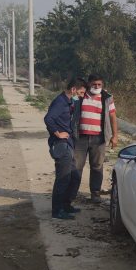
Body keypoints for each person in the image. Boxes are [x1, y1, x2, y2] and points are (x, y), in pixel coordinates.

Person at [44, 78, 87, 220]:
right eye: (80, 93)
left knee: (74, 176)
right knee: (63, 178)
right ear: (73, 89)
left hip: (68, 143)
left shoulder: (69, 102)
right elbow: (48, 119)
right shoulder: (60, 102)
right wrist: (57, 133)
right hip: (61, 144)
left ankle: (66, 204)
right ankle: (57, 211)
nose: (81, 96)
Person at [73, 74, 118, 203]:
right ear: (89, 84)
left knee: (97, 166)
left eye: (99, 84)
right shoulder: (81, 95)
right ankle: (72, 193)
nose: (96, 87)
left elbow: (113, 117)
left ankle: (95, 194)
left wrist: (115, 136)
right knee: (76, 166)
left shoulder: (107, 98)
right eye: (94, 84)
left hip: (99, 138)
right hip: (80, 138)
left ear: (102, 85)